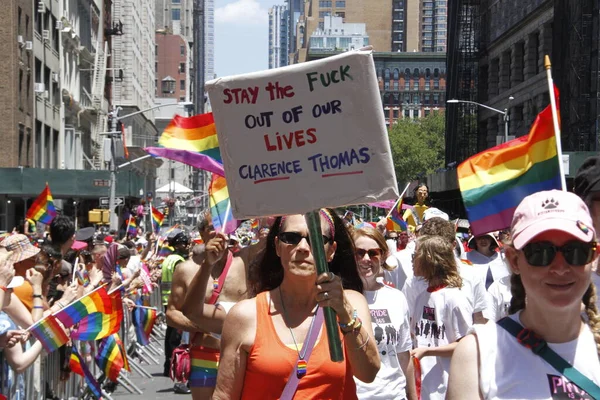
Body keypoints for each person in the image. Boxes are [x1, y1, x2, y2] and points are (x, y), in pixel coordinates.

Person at [447, 190, 600, 399]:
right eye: (540, 252)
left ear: (594, 257)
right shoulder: (477, 355)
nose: (560, 268)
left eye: (576, 251)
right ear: (514, 260)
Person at [212, 209, 380, 399]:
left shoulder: (352, 303)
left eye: (315, 239)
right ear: (277, 246)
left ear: (331, 251)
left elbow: (368, 373)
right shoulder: (245, 315)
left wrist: (345, 312)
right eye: (291, 237)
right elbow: (224, 395)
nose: (302, 247)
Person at [180, 214, 267, 400]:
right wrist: (208, 325)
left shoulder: (244, 260)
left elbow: (271, 243)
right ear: (202, 232)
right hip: (205, 353)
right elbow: (174, 312)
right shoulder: (186, 269)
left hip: (240, 353)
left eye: (226, 227)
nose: (221, 232)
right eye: (213, 227)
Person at [352, 227, 415, 400]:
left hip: (394, 395)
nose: (366, 259)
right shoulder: (341, 298)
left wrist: (413, 397)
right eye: (359, 253)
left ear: (383, 256)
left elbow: (404, 355)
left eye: (373, 253)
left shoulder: (397, 298)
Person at [408, 235, 473, 400]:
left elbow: (467, 345)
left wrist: (428, 351)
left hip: (446, 387)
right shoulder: (421, 297)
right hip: (422, 387)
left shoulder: (454, 298)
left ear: (430, 259)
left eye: (416, 255)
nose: (412, 260)